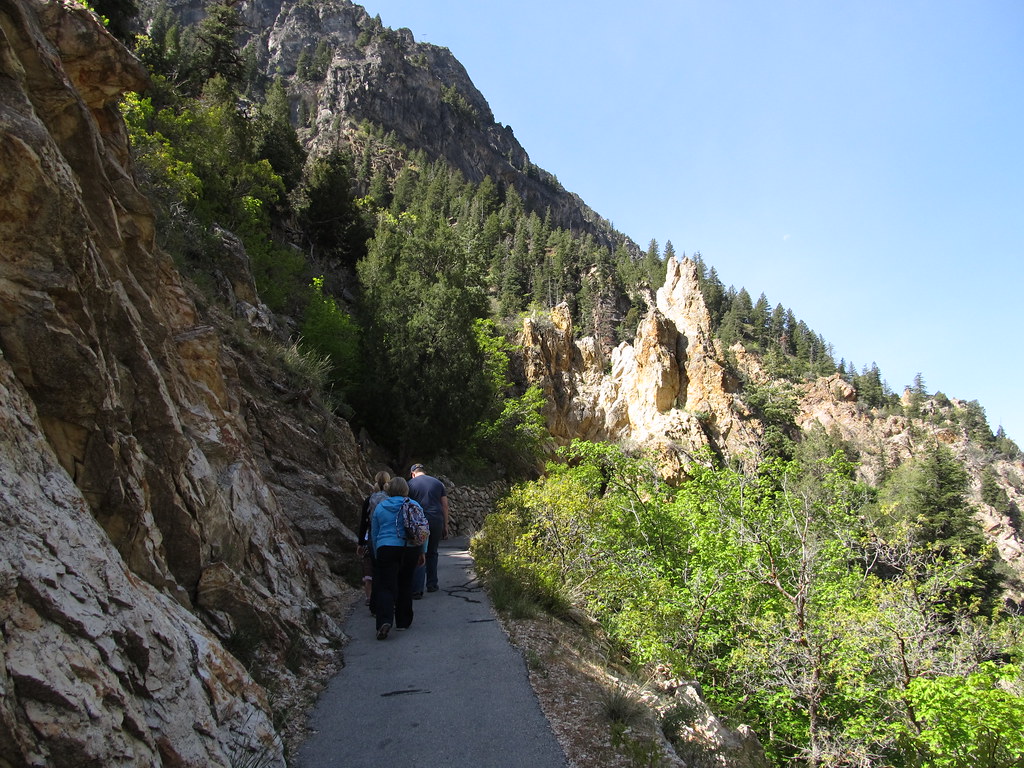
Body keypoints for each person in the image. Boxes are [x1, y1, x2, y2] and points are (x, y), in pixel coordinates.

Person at [370, 476, 427, 640]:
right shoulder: (413, 505)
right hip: (409, 548)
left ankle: (384, 621)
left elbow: (375, 531)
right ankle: (403, 622)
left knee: (385, 586)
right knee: (405, 583)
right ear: (405, 490)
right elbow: (421, 530)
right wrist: (421, 551)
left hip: (386, 548)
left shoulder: (381, 507)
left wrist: (376, 551)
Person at [408, 463, 448, 596]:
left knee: (418, 552)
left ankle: (417, 588)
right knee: (432, 552)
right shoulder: (438, 484)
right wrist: (445, 525)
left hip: (418, 522)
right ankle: (432, 584)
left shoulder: (410, 484)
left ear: (413, 473)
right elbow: (445, 506)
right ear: (424, 471)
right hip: (436, 520)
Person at [357, 471, 390, 612]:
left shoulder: (369, 499)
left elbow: (364, 523)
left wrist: (360, 542)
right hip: (389, 536)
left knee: (373, 569)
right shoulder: (391, 498)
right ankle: (388, 600)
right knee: (388, 570)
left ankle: (373, 602)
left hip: (372, 536)